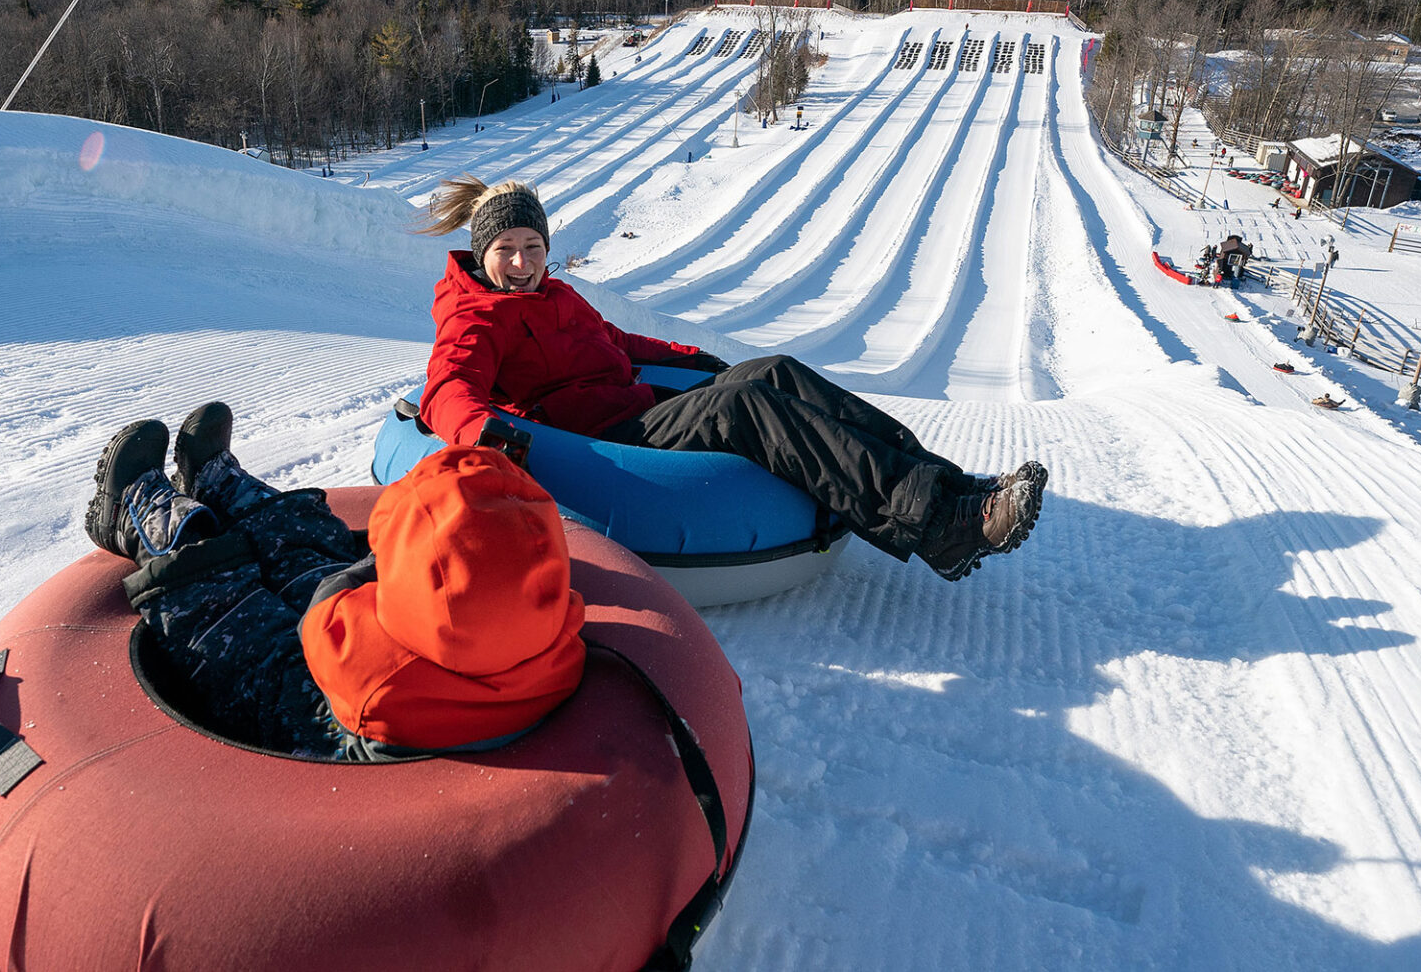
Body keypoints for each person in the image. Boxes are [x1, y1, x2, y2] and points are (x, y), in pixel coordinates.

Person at [412, 176, 1045, 582]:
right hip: (603, 440)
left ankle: (952, 485)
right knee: (743, 406)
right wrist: (481, 432)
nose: (522, 263)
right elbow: (447, 387)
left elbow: (618, 343)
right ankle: (940, 526)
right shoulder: (475, 314)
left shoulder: (558, 296)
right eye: (506, 250)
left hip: (635, 402)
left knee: (773, 371)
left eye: (533, 246)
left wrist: (692, 357)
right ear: (483, 252)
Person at [83, 404, 584, 759]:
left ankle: (143, 519)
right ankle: (223, 490)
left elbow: (324, 610)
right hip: (432, 668)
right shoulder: (553, 628)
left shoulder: (369, 675)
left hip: (330, 717)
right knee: (316, 552)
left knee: (235, 621)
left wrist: (368, 564)